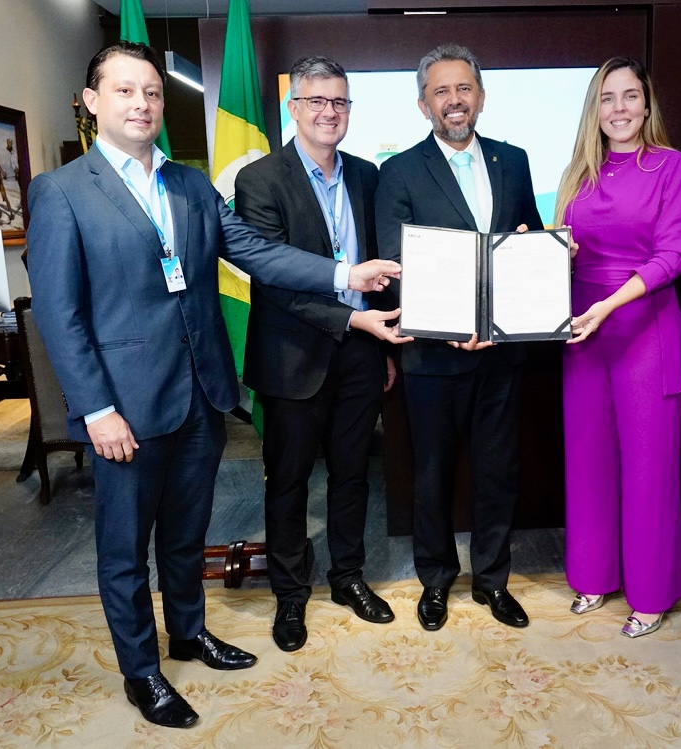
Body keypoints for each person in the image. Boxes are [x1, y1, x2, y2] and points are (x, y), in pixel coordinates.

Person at [26, 42, 399, 729]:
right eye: (126, 91)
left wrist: (344, 275)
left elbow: (253, 250)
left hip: (201, 395)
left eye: (152, 93)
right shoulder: (62, 192)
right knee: (124, 550)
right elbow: (60, 314)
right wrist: (97, 408)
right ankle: (143, 672)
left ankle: (189, 633)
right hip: (124, 408)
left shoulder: (190, 185)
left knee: (184, 534)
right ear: (93, 102)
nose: (142, 104)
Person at [234, 56, 412, 653]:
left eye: (339, 102)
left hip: (362, 354)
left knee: (354, 475)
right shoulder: (259, 179)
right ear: (294, 108)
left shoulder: (367, 175)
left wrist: (374, 337)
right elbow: (275, 281)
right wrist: (352, 316)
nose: (329, 112)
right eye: (316, 102)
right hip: (291, 357)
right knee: (287, 482)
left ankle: (348, 576)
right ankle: (290, 593)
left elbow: (382, 271)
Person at [375, 43, 543, 632]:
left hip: (502, 354)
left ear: (481, 96)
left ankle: (493, 581)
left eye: (464, 88)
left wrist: (543, 249)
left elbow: (526, 241)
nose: (455, 100)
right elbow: (396, 260)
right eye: (441, 91)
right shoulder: (397, 171)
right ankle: (437, 581)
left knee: (499, 470)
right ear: (424, 104)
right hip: (432, 356)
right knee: (433, 473)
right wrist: (452, 329)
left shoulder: (513, 160)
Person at [555, 58, 681, 637]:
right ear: (595, 108)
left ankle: (651, 594)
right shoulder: (577, 173)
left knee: (649, 465)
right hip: (583, 331)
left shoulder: (673, 167)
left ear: (647, 104)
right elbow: (568, 246)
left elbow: (673, 257)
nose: (619, 108)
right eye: (607, 98)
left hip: (645, 329)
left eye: (630, 96)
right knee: (586, 458)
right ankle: (593, 577)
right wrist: (539, 251)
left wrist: (609, 305)